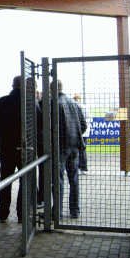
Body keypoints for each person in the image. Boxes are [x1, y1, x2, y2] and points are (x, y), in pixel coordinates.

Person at [0, 76, 23, 223]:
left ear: (12, 85)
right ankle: (22, 213)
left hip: (7, 148)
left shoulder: (3, 101)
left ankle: (3, 212)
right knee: (25, 181)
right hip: (25, 149)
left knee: (5, 181)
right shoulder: (30, 102)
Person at [52, 81, 87, 219]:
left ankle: (58, 212)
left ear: (51, 89)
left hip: (60, 147)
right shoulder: (74, 103)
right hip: (75, 147)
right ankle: (74, 211)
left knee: (58, 179)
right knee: (74, 179)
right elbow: (83, 125)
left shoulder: (54, 103)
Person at [73, 93, 90, 175]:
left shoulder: (76, 107)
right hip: (83, 133)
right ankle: (83, 168)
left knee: (77, 150)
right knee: (82, 150)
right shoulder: (85, 107)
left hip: (78, 133)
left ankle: (80, 167)